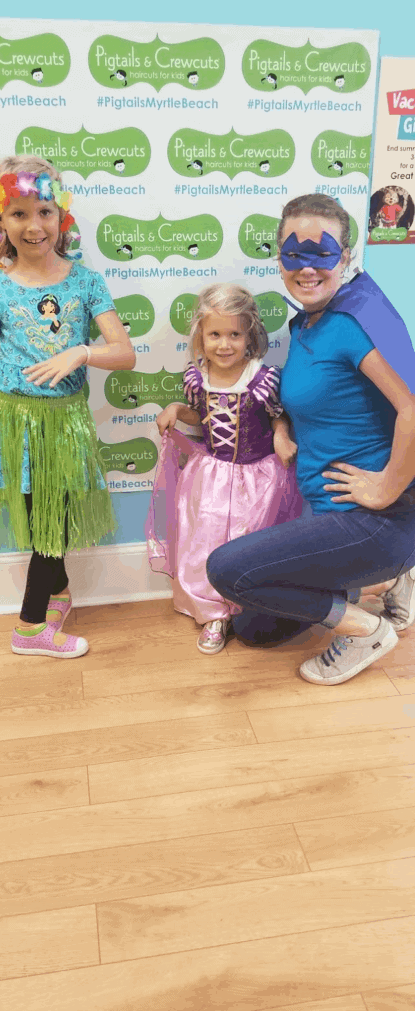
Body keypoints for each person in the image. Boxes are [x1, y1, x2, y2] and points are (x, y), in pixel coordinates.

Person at [0, 155, 134, 658]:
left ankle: (49, 600)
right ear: (1, 221)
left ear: (62, 217)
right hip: (11, 421)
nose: (34, 226)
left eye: (44, 212)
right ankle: (31, 627)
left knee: (52, 522)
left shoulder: (85, 282)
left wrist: (80, 351)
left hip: (65, 425)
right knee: (43, 521)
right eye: (18, 214)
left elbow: (122, 354)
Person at [206, 194, 415, 684]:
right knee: (257, 628)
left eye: (322, 253)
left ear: (345, 257)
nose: (306, 268)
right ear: (279, 257)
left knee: (227, 571)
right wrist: (281, 427)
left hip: (374, 520)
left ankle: (368, 630)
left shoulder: (356, 320)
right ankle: (390, 582)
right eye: (293, 254)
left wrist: (386, 489)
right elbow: (308, 399)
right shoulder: (309, 320)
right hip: (330, 512)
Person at [146, 283, 302, 653]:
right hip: (212, 475)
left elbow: (278, 415)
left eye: (235, 334)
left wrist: (282, 435)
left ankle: (248, 604)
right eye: (215, 334)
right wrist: (175, 410)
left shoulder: (262, 379)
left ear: (250, 335)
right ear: (201, 335)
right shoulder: (197, 378)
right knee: (207, 540)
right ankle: (214, 610)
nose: (224, 344)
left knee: (250, 540)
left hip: (258, 478)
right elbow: (199, 416)